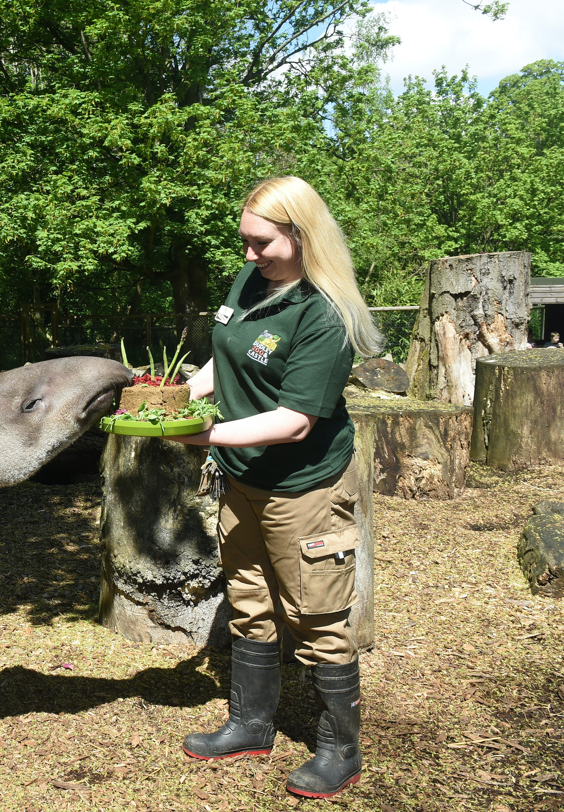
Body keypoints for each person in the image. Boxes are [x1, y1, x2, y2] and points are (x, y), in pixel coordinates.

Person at [169, 176, 383, 799]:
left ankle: (340, 748)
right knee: (249, 596)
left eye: (261, 243)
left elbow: (295, 422)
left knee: (317, 614)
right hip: (243, 478)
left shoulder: (324, 313)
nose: (248, 254)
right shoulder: (252, 280)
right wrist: (176, 397)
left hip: (303, 487)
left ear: (301, 235)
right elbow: (226, 356)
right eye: (245, 240)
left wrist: (204, 435)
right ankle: (250, 723)